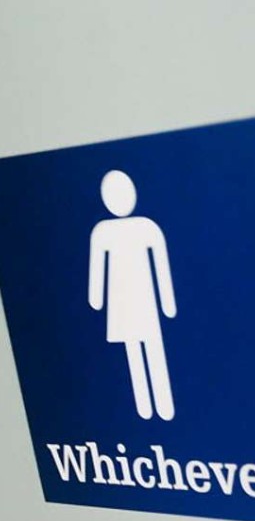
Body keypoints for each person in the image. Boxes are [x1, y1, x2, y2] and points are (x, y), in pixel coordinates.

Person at [88, 170, 176, 421]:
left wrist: (167, 302)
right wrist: (96, 299)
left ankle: (163, 403)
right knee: (133, 352)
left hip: (145, 300)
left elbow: (161, 266)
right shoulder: (102, 232)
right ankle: (145, 407)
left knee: (153, 347)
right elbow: (97, 270)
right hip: (121, 303)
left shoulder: (147, 228)